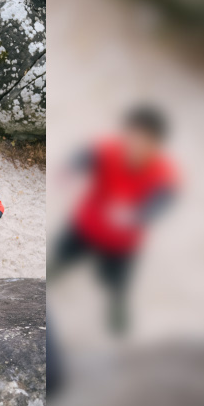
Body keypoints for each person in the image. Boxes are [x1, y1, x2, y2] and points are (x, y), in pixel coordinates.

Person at [47, 105, 177, 336]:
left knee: (117, 284)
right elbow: (83, 157)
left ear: (156, 145)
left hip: (122, 243)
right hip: (85, 226)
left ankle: (117, 311)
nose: (136, 145)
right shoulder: (109, 150)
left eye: (145, 141)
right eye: (133, 137)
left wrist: (136, 215)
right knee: (60, 259)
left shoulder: (162, 172)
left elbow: (162, 203)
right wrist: (68, 170)